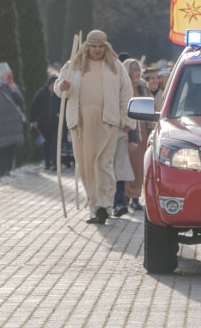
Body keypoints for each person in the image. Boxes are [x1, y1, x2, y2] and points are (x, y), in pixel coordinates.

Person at [56, 30, 134, 225]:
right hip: (80, 122)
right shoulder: (73, 64)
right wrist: (61, 87)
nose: (97, 50)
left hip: (107, 121)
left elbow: (126, 94)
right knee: (85, 167)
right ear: (87, 46)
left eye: (101, 46)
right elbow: (59, 85)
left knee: (104, 165)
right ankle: (94, 207)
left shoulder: (115, 66)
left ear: (105, 46)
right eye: (94, 46)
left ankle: (104, 206)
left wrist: (128, 121)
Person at [0, 62, 25, 178]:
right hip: (1, 124)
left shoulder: (13, 87)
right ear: (1, 75)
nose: (8, 76)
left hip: (13, 123)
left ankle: (9, 170)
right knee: (2, 148)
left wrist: (14, 90)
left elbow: (20, 102)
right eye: (6, 74)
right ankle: (1, 171)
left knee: (12, 147)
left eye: (9, 74)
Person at [119, 59, 147, 214]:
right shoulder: (123, 87)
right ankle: (125, 197)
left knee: (139, 166)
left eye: (138, 70)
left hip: (141, 130)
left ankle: (135, 197)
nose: (137, 73)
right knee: (126, 165)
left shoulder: (143, 87)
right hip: (128, 129)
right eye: (134, 70)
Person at [30, 74, 61, 171]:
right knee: (46, 144)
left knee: (55, 144)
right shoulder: (42, 93)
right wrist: (34, 120)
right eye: (51, 85)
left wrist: (62, 113)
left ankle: (55, 164)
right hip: (43, 124)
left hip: (55, 123)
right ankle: (47, 163)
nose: (52, 87)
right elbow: (33, 107)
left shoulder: (59, 94)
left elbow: (65, 104)